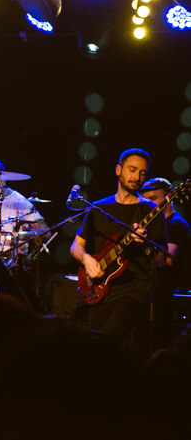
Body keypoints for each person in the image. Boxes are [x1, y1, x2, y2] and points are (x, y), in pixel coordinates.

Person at [69, 148, 168, 347]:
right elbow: (76, 246)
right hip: (100, 289)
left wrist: (146, 246)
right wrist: (86, 259)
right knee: (96, 346)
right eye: (132, 170)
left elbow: (161, 261)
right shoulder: (98, 208)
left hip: (133, 292)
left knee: (107, 342)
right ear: (118, 170)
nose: (137, 177)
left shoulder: (151, 211)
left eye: (143, 173)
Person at [140, 177, 189, 348]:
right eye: (146, 199)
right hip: (148, 295)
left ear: (168, 197)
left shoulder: (176, 224)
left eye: (153, 198)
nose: (149, 204)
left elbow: (168, 259)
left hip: (161, 298)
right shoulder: (158, 224)